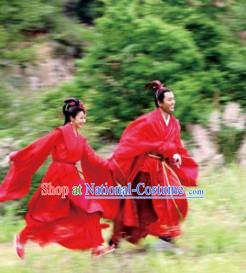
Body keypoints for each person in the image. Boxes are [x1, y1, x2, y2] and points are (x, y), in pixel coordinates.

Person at [0, 97, 117, 258]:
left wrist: (112, 164)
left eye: (84, 117)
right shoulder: (60, 133)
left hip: (72, 178)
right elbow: (39, 147)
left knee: (92, 208)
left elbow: (93, 159)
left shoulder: (81, 140)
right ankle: (22, 237)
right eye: (81, 117)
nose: (84, 120)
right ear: (71, 118)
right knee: (46, 213)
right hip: (57, 177)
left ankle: (97, 246)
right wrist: (16, 156)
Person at [108, 80, 199, 248]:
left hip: (163, 169)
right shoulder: (148, 121)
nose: (173, 102)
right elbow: (133, 141)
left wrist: (176, 154)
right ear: (159, 102)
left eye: (174, 99)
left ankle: (167, 237)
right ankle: (116, 239)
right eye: (169, 100)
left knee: (173, 200)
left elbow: (176, 144)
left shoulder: (174, 123)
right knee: (138, 205)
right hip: (146, 170)